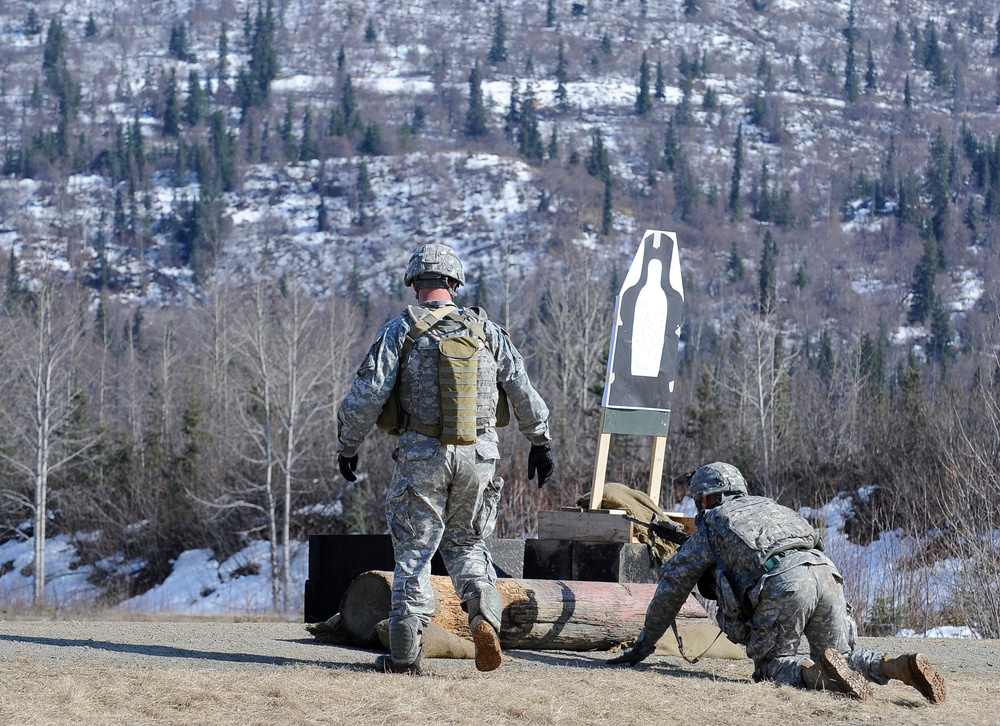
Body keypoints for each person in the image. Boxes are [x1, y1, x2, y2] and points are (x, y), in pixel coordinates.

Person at [337, 242, 553, 675]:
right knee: (468, 544)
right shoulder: (487, 331)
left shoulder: (400, 329)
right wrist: (540, 441)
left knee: (414, 552)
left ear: (415, 284)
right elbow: (522, 388)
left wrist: (348, 444)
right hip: (479, 457)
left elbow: (366, 395)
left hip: (423, 456)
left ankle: (404, 655)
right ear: (454, 283)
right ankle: (484, 618)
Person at [609, 462, 946, 704]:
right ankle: (896, 666)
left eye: (701, 501)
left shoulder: (713, 524)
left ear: (710, 498)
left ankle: (816, 675)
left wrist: (643, 646)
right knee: (842, 654)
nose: (700, 508)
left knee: (773, 664)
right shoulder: (773, 508)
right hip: (827, 574)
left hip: (787, 583)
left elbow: (672, 586)